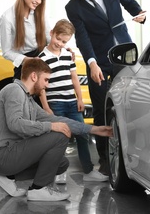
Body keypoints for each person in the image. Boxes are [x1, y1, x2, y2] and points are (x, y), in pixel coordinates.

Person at [0, 58, 113, 201]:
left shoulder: (28, 101)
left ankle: (9, 176)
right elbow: (15, 124)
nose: (47, 85)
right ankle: (39, 188)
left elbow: (58, 120)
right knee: (60, 135)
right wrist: (51, 127)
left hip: (8, 155)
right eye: (46, 80)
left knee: (61, 163)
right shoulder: (14, 90)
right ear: (34, 76)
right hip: (3, 155)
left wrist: (95, 130)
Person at [63, 0, 146, 174]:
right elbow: (82, 37)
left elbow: (128, 1)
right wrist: (92, 63)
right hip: (97, 61)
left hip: (124, 55)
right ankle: (106, 164)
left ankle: (134, 158)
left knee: (129, 106)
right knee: (100, 111)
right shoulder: (73, 8)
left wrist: (139, 13)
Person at [38, 19, 108, 183]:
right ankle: (58, 171)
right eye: (58, 39)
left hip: (72, 103)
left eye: (64, 41)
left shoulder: (68, 55)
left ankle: (89, 171)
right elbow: (41, 87)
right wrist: (46, 107)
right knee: (59, 138)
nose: (60, 44)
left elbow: (74, 78)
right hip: (55, 104)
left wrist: (80, 99)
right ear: (51, 34)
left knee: (83, 134)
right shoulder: (42, 58)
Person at [0, 0, 51, 80]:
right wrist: (27, 60)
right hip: (24, 66)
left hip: (42, 61)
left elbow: (49, 38)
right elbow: (6, 52)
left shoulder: (40, 13)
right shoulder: (7, 17)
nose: (39, 1)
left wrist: (63, 49)